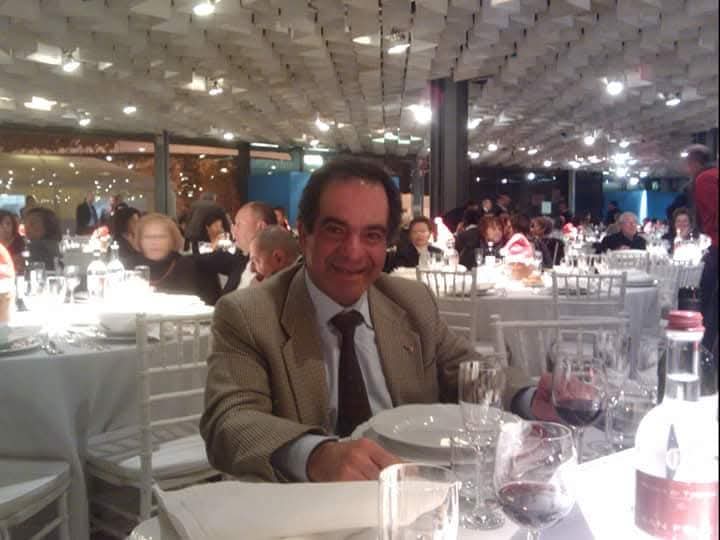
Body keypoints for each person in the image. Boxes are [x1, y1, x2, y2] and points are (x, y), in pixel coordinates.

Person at [200, 157, 528, 482]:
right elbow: (229, 422)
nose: (353, 252)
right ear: (304, 234)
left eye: (372, 235)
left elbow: (471, 372)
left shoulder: (411, 302)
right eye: (335, 230)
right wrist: (315, 455)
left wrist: (528, 397)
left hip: (414, 492)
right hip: (303, 502)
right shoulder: (249, 314)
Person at [131, 213, 220, 305]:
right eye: (148, 237)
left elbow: (213, 305)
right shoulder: (127, 266)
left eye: (161, 236)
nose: (154, 242)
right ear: (139, 240)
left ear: (172, 239)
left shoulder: (194, 268)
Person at [195, 201, 277, 295]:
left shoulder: (278, 272)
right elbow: (201, 259)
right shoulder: (241, 258)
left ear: (261, 227)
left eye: (239, 224)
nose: (233, 231)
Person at [684, 144, 718, 354]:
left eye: (687, 163)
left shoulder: (704, 179)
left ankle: (704, 349)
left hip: (716, 245)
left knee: (708, 301)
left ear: (694, 163)